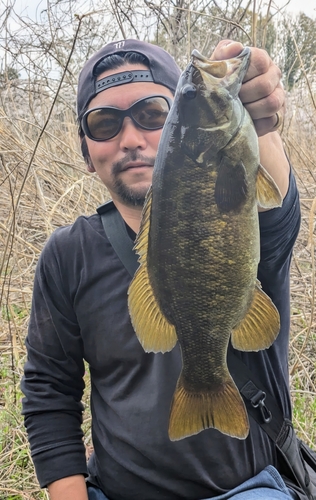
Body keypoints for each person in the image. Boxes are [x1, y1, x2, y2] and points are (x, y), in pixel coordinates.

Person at [21, 38, 301, 500]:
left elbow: (279, 213)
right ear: (87, 152)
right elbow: (49, 391)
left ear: (175, 123)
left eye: (153, 114)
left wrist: (262, 121)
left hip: (250, 489)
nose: (130, 139)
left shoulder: (240, 202)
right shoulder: (67, 254)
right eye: (104, 123)